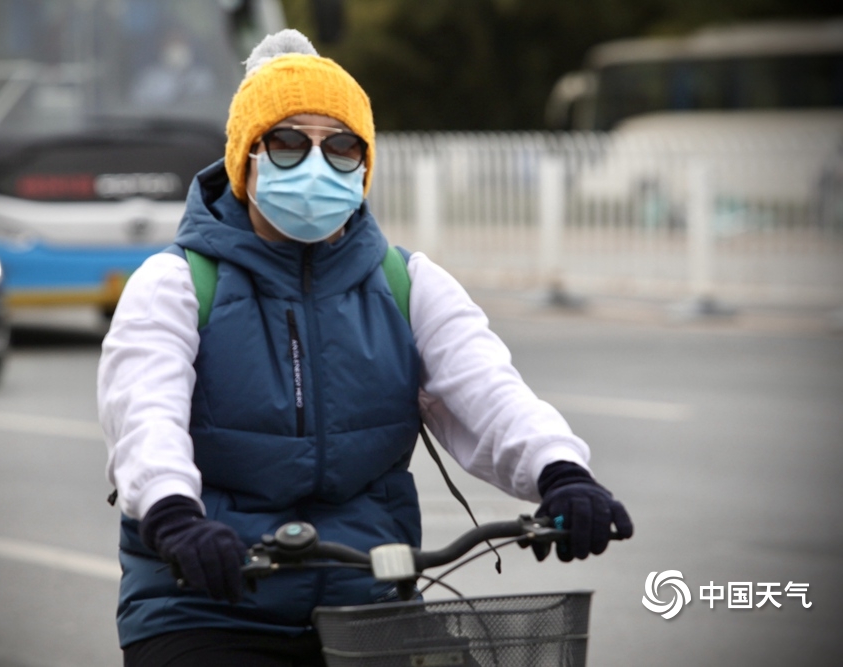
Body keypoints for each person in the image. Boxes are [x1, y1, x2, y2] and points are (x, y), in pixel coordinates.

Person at [97, 28, 632, 667]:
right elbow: (143, 415)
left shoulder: (408, 282)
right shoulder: (177, 282)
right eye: (290, 142)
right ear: (246, 157)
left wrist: (561, 474)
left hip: (371, 602)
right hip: (207, 601)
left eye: (343, 146)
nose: (318, 163)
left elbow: (490, 391)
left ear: (365, 163)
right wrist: (172, 515)